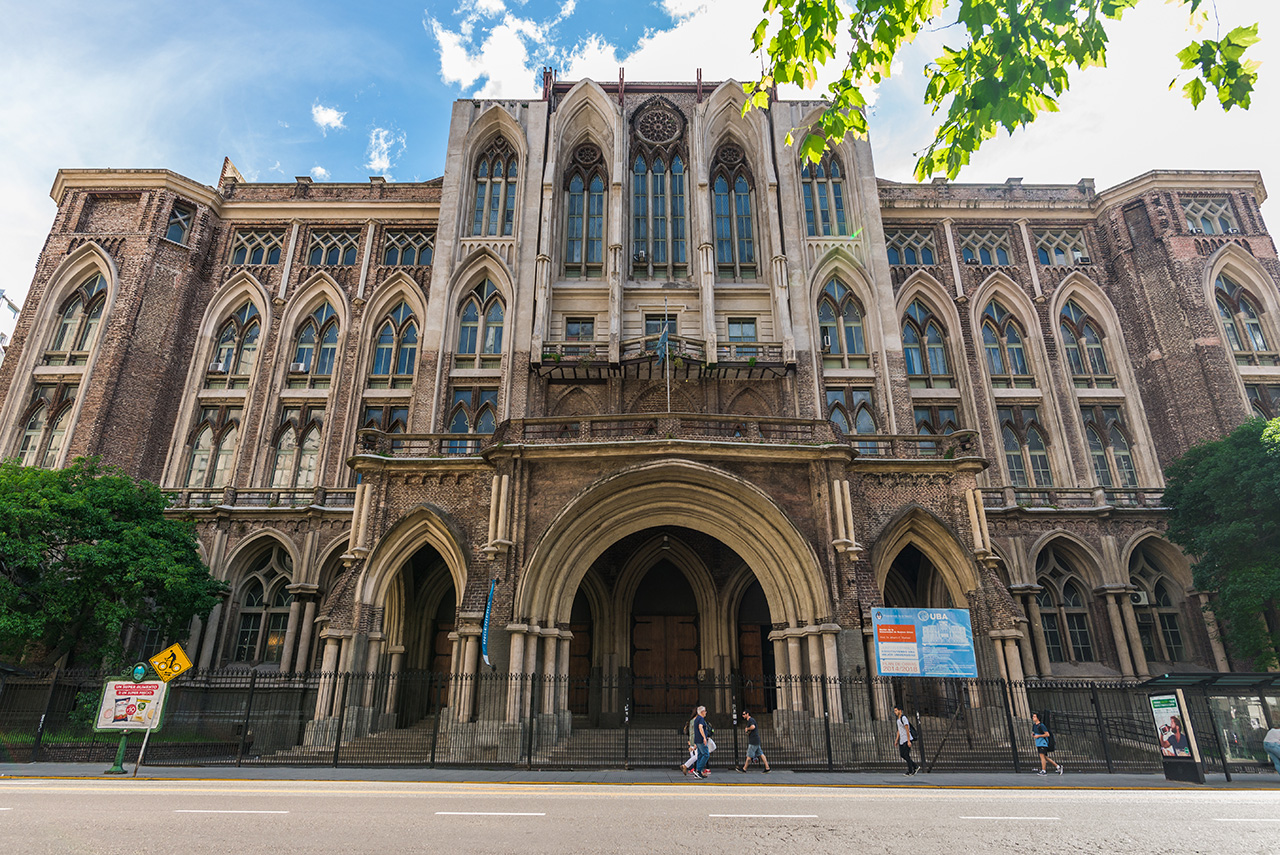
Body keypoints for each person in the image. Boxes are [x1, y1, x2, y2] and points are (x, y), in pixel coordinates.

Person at [894, 705, 918, 776]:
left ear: (900, 711)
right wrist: (896, 740)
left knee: (906, 755)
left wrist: (909, 741)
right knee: (902, 755)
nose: (895, 712)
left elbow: (907, 730)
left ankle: (910, 771)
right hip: (902, 740)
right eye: (894, 711)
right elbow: (899, 730)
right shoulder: (898, 720)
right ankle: (915, 766)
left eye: (896, 710)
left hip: (907, 739)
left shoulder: (903, 718)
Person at [692, 704, 712, 778]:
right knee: (706, 754)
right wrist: (704, 737)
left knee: (700, 755)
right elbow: (700, 727)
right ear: (702, 711)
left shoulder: (696, 718)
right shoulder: (701, 719)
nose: (706, 712)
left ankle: (698, 772)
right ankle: (698, 770)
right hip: (701, 740)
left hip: (697, 739)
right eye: (705, 711)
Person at [680, 709, 699, 775]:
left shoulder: (691, 721)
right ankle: (686, 765)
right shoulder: (695, 721)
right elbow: (694, 732)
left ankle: (694, 769)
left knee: (694, 755)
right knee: (697, 756)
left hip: (692, 739)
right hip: (694, 740)